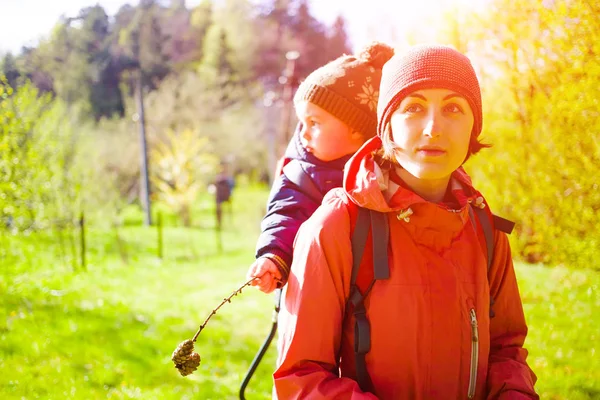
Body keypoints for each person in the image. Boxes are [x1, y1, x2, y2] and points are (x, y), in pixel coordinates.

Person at [273, 44, 539, 399]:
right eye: (413, 107)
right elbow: (300, 378)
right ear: (386, 126)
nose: (433, 128)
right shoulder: (338, 227)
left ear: (473, 126)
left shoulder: (485, 229)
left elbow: (507, 350)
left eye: (453, 108)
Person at [246, 42, 395, 293]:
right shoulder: (300, 175)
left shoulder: (387, 175)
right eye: (301, 122)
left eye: (314, 123)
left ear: (357, 129)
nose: (303, 133)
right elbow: (286, 215)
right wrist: (274, 256)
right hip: (313, 293)